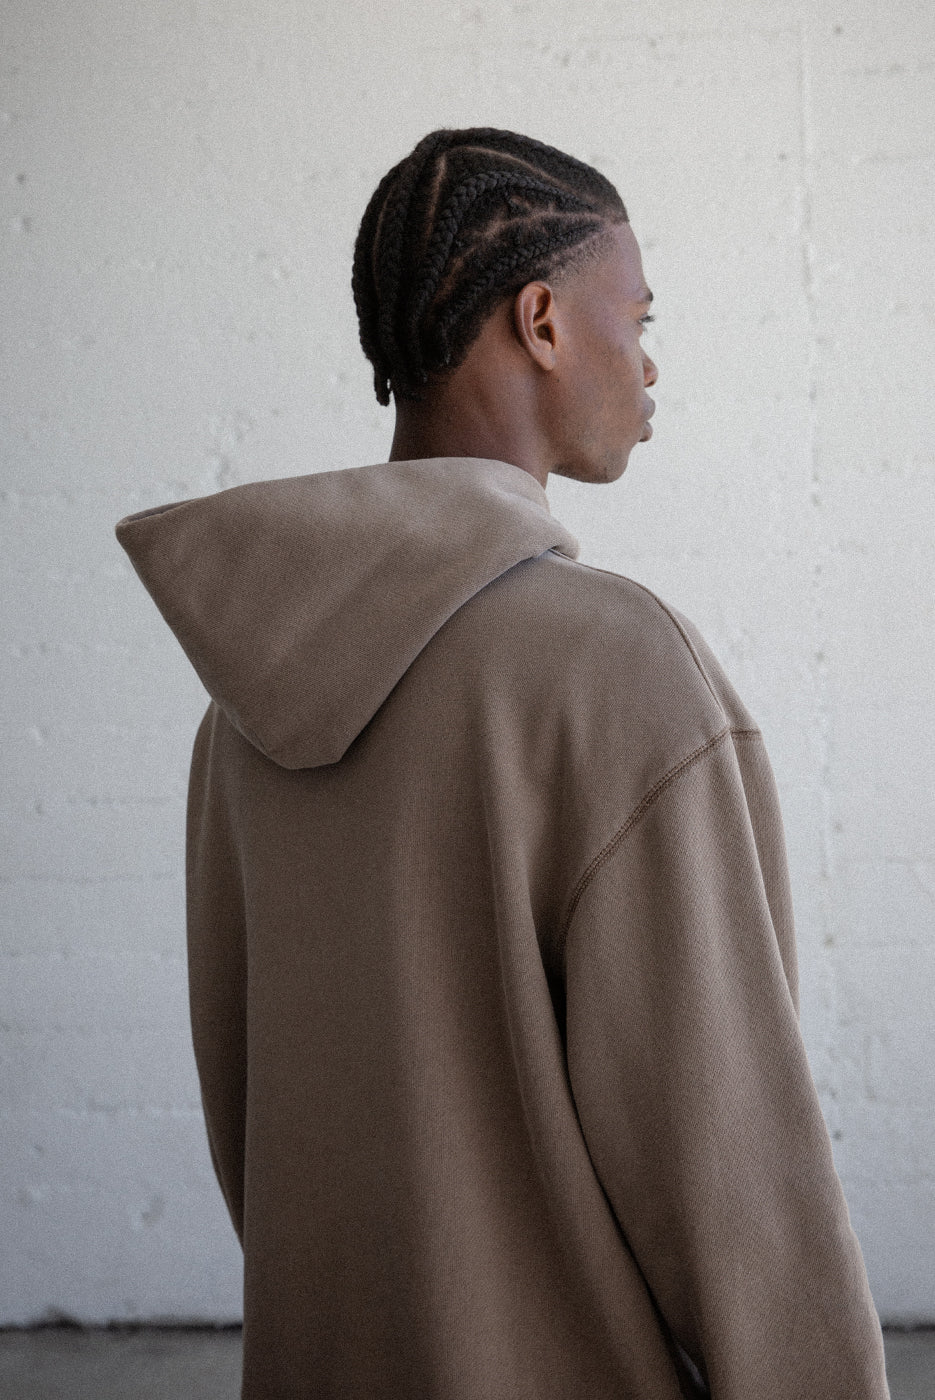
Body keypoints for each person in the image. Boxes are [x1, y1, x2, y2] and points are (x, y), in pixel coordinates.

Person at [115, 127, 890, 1398]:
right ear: (539, 320)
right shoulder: (612, 667)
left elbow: (253, 1124)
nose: (649, 362)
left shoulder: (244, 706)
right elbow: (729, 1164)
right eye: (635, 317)